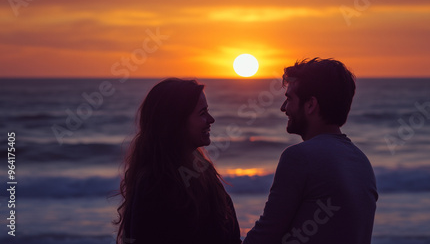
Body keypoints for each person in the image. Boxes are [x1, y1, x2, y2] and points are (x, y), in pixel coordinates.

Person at [243, 58, 378, 244]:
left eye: (289, 99)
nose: (283, 108)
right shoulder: (362, 162)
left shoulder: (299, 157)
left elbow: (266, 235)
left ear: (310, 105)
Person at [114, 78, 241, 244]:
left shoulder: (203, 172)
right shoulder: (154, 184)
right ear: (176, 122)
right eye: (202, 113)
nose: (211, 120)